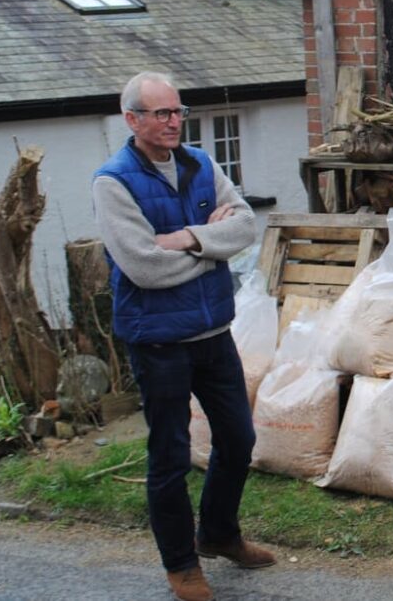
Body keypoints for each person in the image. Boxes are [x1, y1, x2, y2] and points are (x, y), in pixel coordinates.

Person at [93, 71, 276, 601]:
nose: (174, 122)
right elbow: (145, 269)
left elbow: (244, 228)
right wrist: (210, 249)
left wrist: (187, 238)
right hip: (158, 341)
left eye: (178, 111)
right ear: (133, 120)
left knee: (239, 438)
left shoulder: (202, 163)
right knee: (170, 456)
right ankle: (181, 565)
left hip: (213, 330)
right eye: (162, 113)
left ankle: (218, 534)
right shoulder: (114, 182)